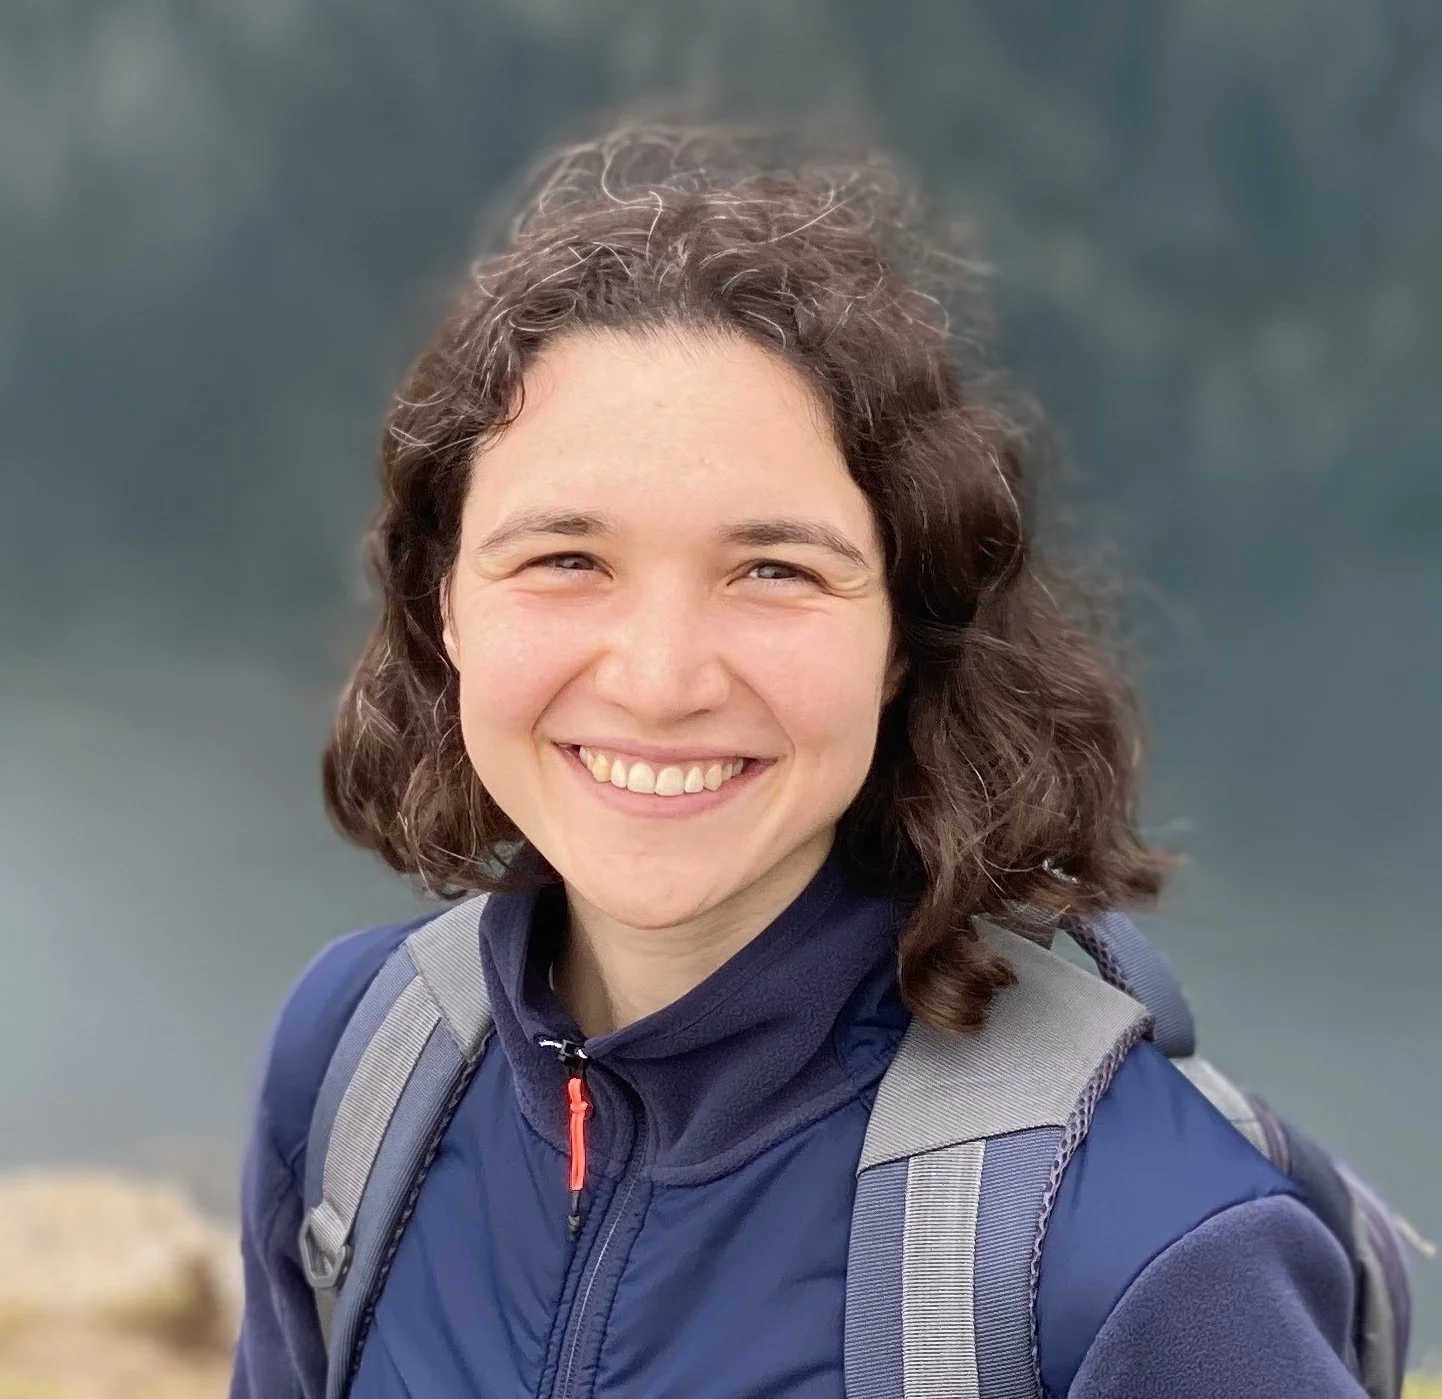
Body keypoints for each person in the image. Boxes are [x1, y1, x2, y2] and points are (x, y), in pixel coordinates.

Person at [229, 119, 1370, 1397]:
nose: (659, 681)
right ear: (445, 605)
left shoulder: (1138, 1256)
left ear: (901, 634)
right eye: (565, 560)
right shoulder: (359, 1064)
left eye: (773, 570)